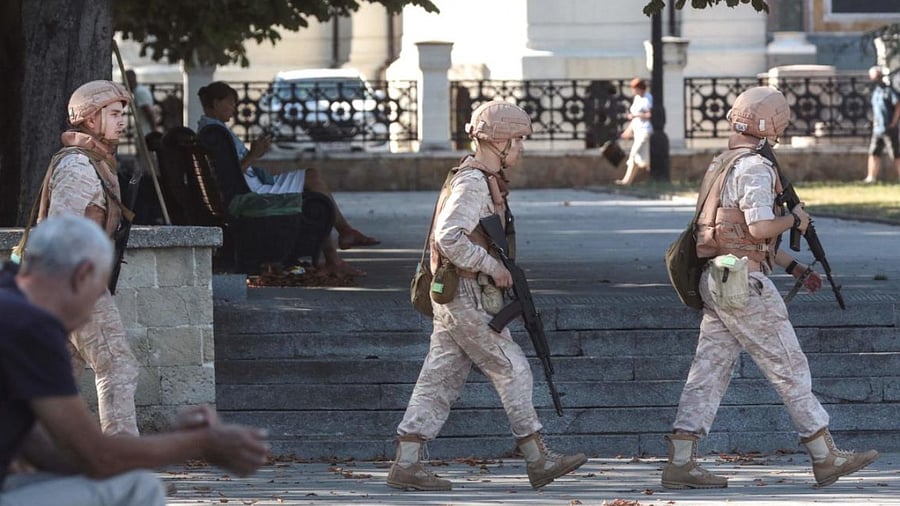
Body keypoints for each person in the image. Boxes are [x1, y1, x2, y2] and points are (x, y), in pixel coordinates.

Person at [662, 86, 879, 490]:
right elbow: (761, 228)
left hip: (719, 277)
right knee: (789, 365)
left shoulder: (721, 164)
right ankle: (824, 455)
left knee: (707, 371)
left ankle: (681, 460)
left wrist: (794, 266)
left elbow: (735, 232)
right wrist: (795, 221)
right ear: (771, 125)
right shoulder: (756, 168)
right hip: (746, 284)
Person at [386, 100, 587, 492]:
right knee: (511, 366)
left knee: (439, 376)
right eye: (519, 140)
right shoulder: (473, 182)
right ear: (501, 141)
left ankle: (407, 462)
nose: (522, 149)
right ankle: (536, 458)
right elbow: (449, 236)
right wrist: (491, 266)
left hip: (460, 294)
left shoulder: (481, 178)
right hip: (466, 294)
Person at [0, 215, 268, 506]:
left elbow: (43, 448)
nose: (90, 315)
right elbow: (97, 456)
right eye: (96, 295)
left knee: (116, 480)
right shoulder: (31, 326)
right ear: (82, 275)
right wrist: (202, 442)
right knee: (139, 487)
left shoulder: (10, 303)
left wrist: (168, 442)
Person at [35, 80, 140, 436]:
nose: (122, 121)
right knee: (117, 365)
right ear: (90, 119)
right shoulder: (79, 167)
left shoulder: (94, 162)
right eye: (113, 114)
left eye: (122, 113)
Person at [196, 81, 378, 277]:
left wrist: (254, 153)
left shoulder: (213, 130)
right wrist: (254, 154)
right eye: (230, 103)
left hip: (248, 185)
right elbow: (229, 177)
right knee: (313, 179)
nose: (234, 108)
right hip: (250, 191)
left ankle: (338, 249)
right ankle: (342, 240)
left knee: (314, 189)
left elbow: (229, 172)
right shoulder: (215, 133)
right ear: (215, 103)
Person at [864, 66, 900, 183]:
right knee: (874, 152)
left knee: (896, 154)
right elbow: (876, 109)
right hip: (878, 129)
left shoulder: (889, 91)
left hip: (889, 128)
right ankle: (871, 177)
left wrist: (894, 122)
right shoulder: (876, 92)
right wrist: (875, 121)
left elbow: (898, 105)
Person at [616, 78, 652, 185]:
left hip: (645, 130)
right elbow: (634, 119)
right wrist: (628, 131)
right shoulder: (637, 98)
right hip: (637, 131)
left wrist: (636, 115)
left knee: (635, 154)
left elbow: (649, 114)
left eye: (634, 88)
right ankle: (628, 180)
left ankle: (627, 180)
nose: (632, 91)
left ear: (639, 88)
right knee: (641, 157)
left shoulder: (647, 99)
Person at [125, 70, 158, 138]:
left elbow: (149, 113)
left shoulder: (139, 92)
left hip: (145, 133)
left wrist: (154, 131)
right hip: (143, 132)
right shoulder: (138, 91)